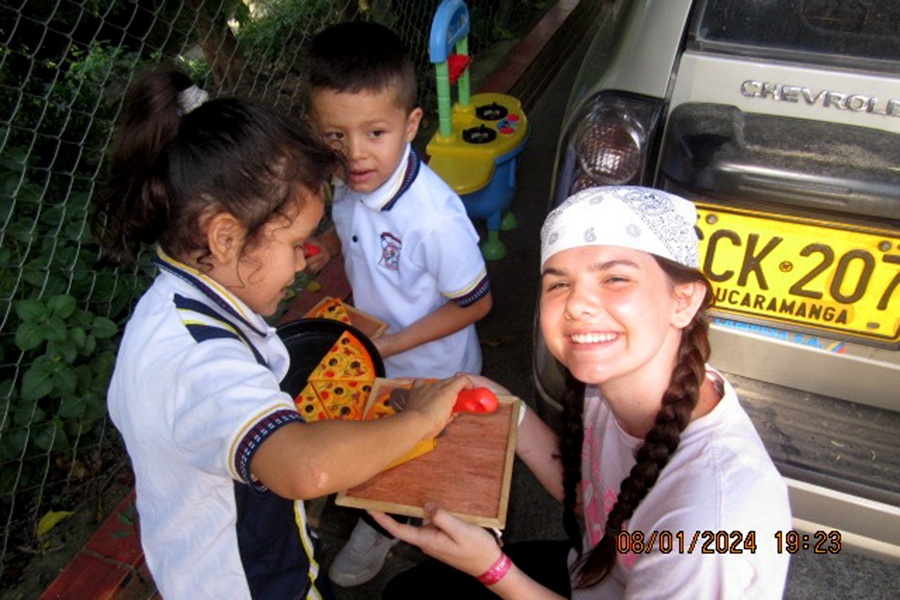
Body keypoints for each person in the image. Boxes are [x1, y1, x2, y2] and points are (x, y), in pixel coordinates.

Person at [92, 64, 469, 600]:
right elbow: (308, 468)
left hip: (209, 561)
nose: (302, 262)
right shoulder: (200, 361)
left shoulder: (169, 309)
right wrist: (421, 420)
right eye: (295, 242)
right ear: (224, 237)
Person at [371, 186, 793, 599]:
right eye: (559, 285)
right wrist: (503, 405)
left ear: (683, 301)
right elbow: (590, 497)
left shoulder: (709, 529)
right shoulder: (616, 382)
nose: (577, 304)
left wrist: (493, 569)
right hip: (593, 573)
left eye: (615, 277)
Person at [302, 21, 494, 586]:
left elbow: (477, 303)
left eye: (375, 133)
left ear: (411, 125)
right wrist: (326, 249)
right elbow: (351, 230)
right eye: (335, 136)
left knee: (418, 461)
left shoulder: (433, 218)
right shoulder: (347, 183)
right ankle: (382, 512)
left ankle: (385, 530)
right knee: (386, 449)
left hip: (435, 370)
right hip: (379, 356)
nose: (354, 154)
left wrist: (383, 346)